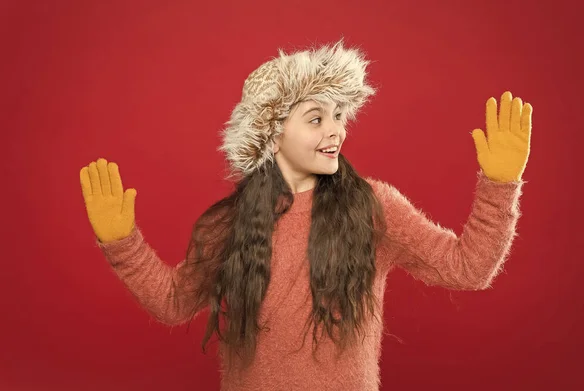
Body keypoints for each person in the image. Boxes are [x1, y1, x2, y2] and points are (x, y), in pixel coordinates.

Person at [79, 38, 531, 390]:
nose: (335, 129)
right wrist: (123, 244)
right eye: (316, 118)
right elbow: (175, 302)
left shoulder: (373, 206)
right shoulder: (229, 224)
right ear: (271, 136)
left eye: (339, 115)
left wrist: (499, 185)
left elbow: (468, 268)